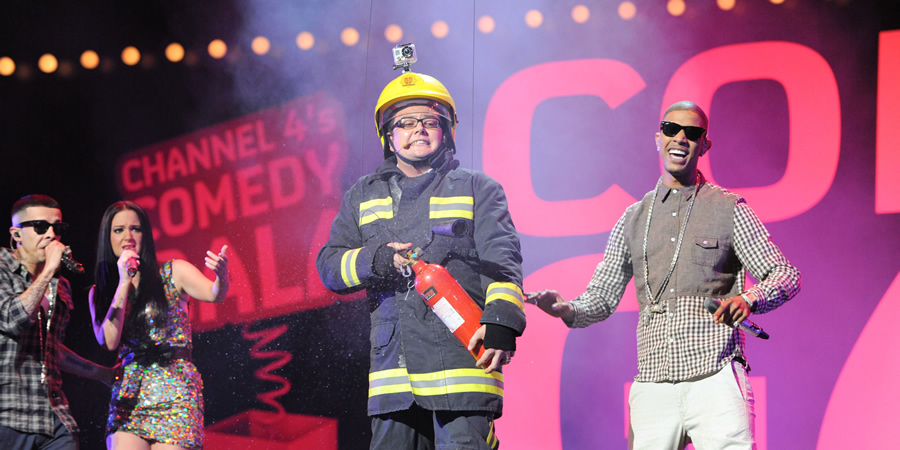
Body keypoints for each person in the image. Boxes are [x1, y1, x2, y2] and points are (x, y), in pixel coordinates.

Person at [529, 101, 801, 450]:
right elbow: (601, 296)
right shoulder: (632, 218)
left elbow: (785, 274)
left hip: (716, 377)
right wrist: (566, 309)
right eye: (672, 130)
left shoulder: (729, 208)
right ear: (658, 138)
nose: (681, 139)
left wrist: (749, 298)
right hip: (654, 384)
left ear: (705, 145)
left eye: (692, 133)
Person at [316, 70, 525, 449]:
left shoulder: (478, 188)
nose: (419, 130)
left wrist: (501, 324)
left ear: (446, 131)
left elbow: (503, 263)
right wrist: (378, 259)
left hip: (464, 364)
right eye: (406, 123)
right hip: (393, 376)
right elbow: (330, 266)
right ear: (388, 135)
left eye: (430, 121)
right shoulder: (362, 195)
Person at [88, 201, 228, 450]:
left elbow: (214, 294)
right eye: (119, 230)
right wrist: (123, 283)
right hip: (130, 393)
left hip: (175, 391)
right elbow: (109, 340)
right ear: (107, 237)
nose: (128, 237)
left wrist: (222, 277)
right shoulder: (101, 292)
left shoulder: (174, 271)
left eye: (136, 229)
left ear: (146, 236)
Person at [0, 194, 116, 450]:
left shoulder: (60, 286)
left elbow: (50, 348)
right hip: (7, 415)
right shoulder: (2, 268)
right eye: (41, 227)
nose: (52, 234)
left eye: (58, 227)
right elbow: (11, 319)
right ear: (16, 234)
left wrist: (102, 373)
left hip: (54, 417)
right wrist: (49, 270)